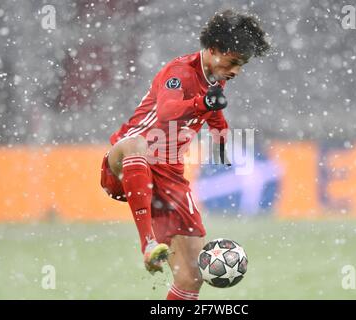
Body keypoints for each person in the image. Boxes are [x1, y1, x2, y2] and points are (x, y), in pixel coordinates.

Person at [100, 9, 270, 300]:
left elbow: (214, 109)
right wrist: (203, 103)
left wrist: (220, 136)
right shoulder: (180, 72)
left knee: (192, 277)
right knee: (137, 144)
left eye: (242, 64)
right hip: (124, 164)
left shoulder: (217, 77)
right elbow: (168, 111)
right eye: (234, 62)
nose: (237, 70)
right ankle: (148, 245)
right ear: (214, 50)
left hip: (169, 177)